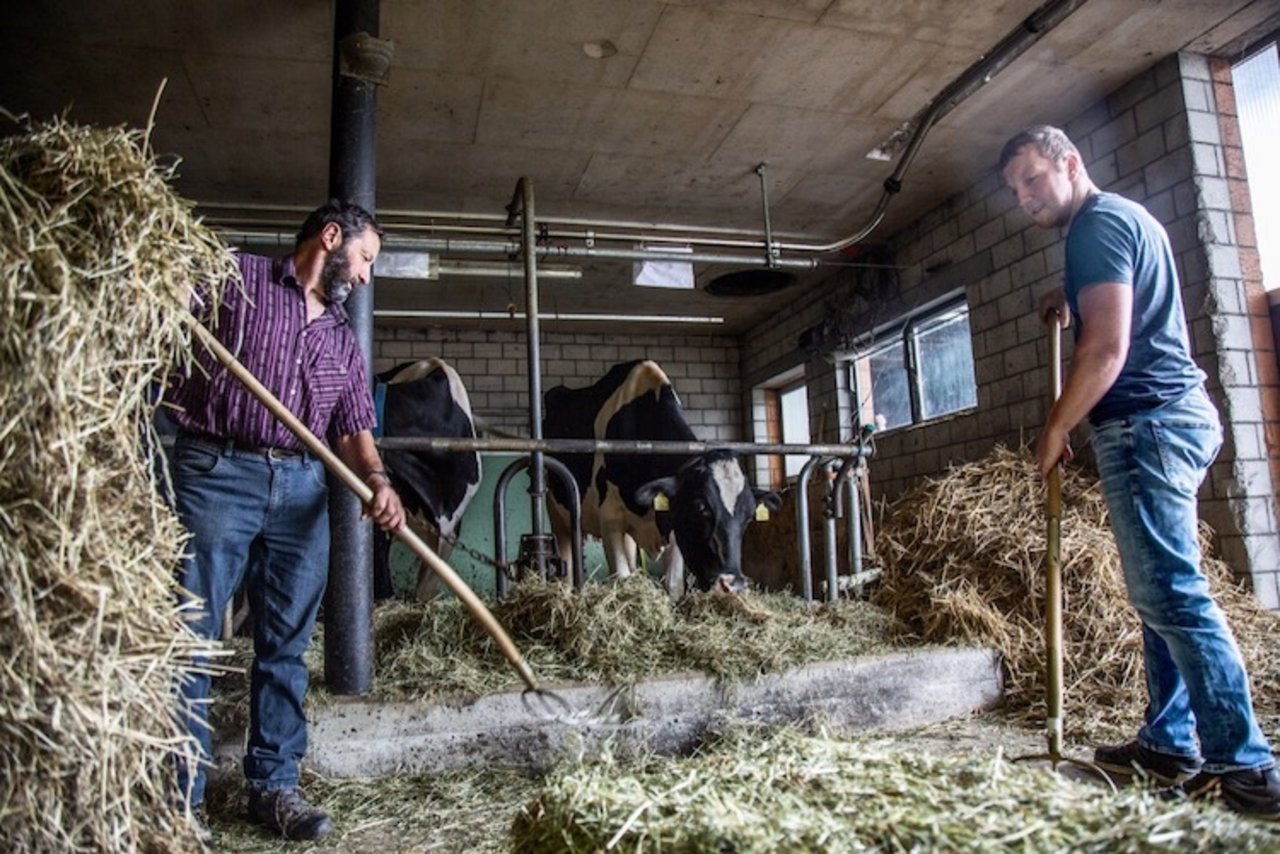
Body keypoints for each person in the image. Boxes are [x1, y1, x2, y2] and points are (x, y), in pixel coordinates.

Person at [999, 125, 1279, 819]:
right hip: (1171, 416)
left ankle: (1243, 767)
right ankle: (1168, 743)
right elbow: (1116, 309)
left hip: (1147, 425)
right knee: (1158, 594)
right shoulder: (1118, 221)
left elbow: (1109, 347)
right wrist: (1065, 297)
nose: (1027, 198)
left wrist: (1057, 426)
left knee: (1173, 596)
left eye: (1034, 179)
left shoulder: (1095, 228)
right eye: (1015, 190)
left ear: (1071, 163)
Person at [164, 199, 406, 840]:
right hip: (218, 471)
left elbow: (355, 430)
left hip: (300, 486)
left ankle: (272, 788)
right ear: (331, 238)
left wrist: (377, 481)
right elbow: (159, 298)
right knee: (189, 639)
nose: (366, 275)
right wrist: (168, 291)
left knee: (287, 647)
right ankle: (177, 806)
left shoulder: (341, 342)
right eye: (365, 258)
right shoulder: (232, 279)